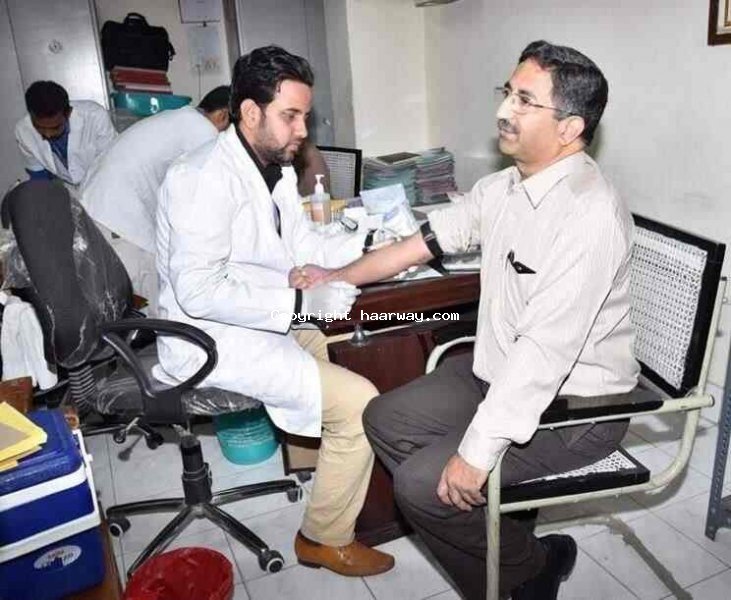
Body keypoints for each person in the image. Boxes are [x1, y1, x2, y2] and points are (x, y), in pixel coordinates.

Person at [305, 40, 639, 600]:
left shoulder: (587, 213)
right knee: (383, 417)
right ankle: (525, 559)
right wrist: (334, 275)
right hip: (500, 373)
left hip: (575, 406)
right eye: (508, 92)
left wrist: (475, 455)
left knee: (422, 486)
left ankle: (512, 571)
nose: (504, 110)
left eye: (525, 100)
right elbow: (417, 245)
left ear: (569, 128)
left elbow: (544, 354)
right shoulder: (503, 187)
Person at [155, 46, 395, 576]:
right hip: (210, 338)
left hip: (260, 316)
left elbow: (300, 245)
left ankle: (328, 467)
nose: (302, 130)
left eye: (305, 116)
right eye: (291, 116)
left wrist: (368, 240)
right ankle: (323, 538)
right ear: (249, 112)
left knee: (354, 341)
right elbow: (197, 291)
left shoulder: (275, 168)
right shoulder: (201, 177)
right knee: (360, 402)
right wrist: (301, 302)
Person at [78, 87, 231, 311]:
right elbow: (214, 188)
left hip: (96, 201)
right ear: (223, 115)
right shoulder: (203, 130)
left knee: (117, 291)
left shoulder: (179, 118)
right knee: (143, 291)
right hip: (117, 214)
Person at [14, 81, 116, 189]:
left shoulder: (95, 117)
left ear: (68, 113)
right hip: (67, 190)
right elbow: (39, 178)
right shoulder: (23, 131)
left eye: (55, 128)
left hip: (104, 184)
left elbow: (109, 165)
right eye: (39, 127)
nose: (48, 134)